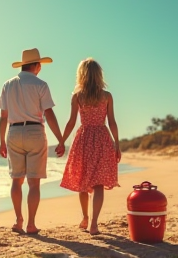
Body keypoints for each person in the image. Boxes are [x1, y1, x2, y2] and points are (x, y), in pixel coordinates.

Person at [0, 48, 65, 235]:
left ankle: (18, 221)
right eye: (40, 64)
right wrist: (60, 139)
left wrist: (1, 141)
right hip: (35, 131)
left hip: (14, 131)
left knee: (16, 180)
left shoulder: (7, 85)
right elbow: (49, 113)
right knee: (34, 183)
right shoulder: (41, 84)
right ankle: (31, 224)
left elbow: (3, 117)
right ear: (35, 65)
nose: (41, 68)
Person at [60, 57, 121, 235]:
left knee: (82, 182)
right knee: (99, 184)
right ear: (99, 75)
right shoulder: (107, 96)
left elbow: (71, 122)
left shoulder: (78, 96)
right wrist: (117, 144)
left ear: (82, 75)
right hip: (102, 138)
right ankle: (94, 223)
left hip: (84, 138)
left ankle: (85, 218)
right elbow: (112, 122)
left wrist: (63, 141)